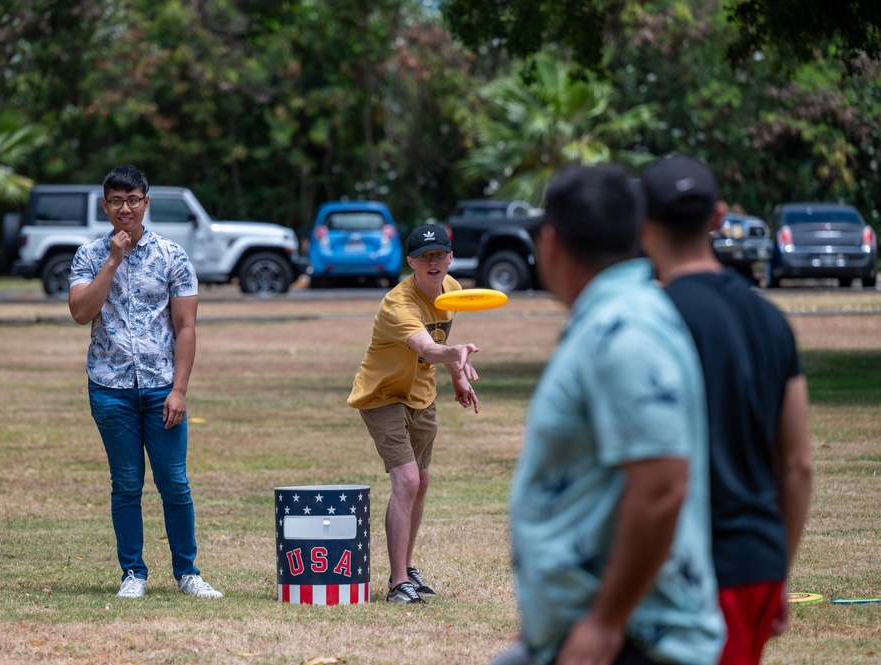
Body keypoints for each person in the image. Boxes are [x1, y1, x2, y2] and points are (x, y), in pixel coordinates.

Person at [492, 164, 724, 665]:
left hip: (634, 644)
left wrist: (604, 622)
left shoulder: (624, 332)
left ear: (550, 241)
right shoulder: (614, 320)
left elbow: (662, 486)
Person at [639, 154, 813, 665]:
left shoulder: (653, 321)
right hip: (755, 563)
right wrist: (777, 570)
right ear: (718, 219)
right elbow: (797, 464)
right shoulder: (771, 321)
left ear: (642, 225)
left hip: (682, 571)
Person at [68, 164, 222, 599]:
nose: (125, 208)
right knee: (127, 483)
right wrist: (113, 261)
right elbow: (81, 313)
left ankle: (188, 572)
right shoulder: (88, 256)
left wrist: (180, 390)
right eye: (116, 201)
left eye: (133, 200)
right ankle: (133, 574)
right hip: (110, 387)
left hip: (161, 387)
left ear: (146, 203)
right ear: (105, 206)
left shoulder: (173, 256)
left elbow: (186, 327)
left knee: (174, 481)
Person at [347, 224, 480, 604]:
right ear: (411, 263)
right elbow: (429, 347)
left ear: (450, 258)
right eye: (424, 257)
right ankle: (397, 584)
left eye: (439, 255)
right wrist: (455, 355)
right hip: (382, 394)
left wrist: (457, 378)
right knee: (405, 480)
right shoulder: (398, 304)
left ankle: (405, 565)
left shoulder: (452, 290)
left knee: (420, 480)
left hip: (421, 394)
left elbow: (439, 342)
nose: (432, 262)